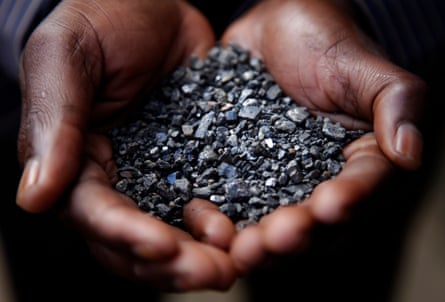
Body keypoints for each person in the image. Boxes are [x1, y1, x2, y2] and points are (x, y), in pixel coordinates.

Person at [1, 0, 443, 300]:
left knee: (336, 274)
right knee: (69, 278)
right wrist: (43, 8)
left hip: (367, 57)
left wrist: (368, 8)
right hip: (81, 105)